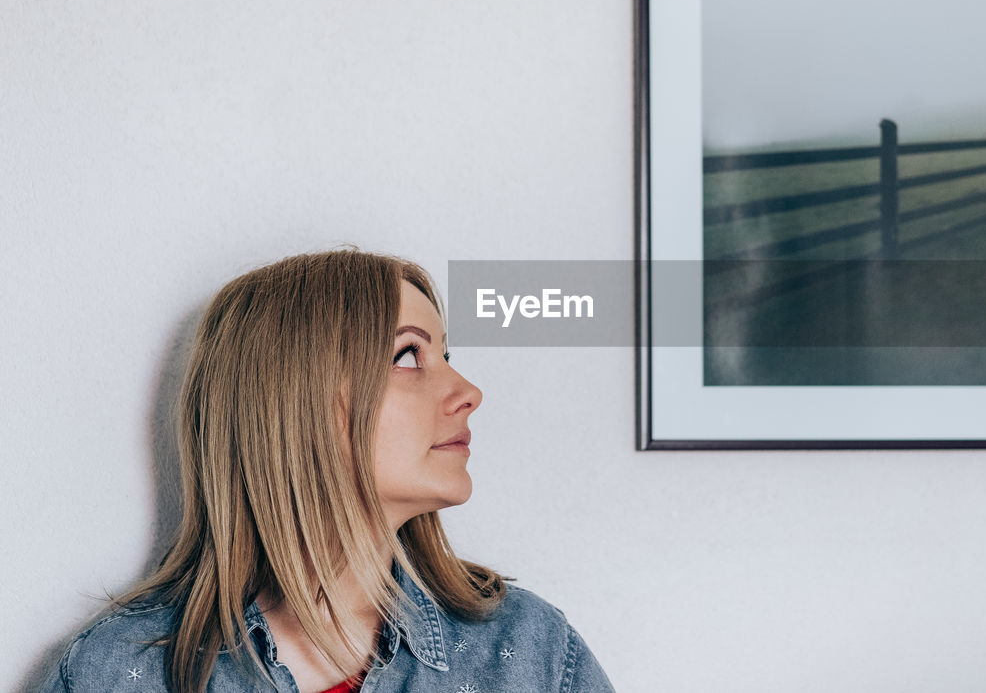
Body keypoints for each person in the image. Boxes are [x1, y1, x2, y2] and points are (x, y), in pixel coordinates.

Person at [40, 250, 613, 692]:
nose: (469, 392)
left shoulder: (530, 655)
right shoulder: (118, 673)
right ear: (295, 402)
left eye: (447, 355)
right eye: (409, 355)